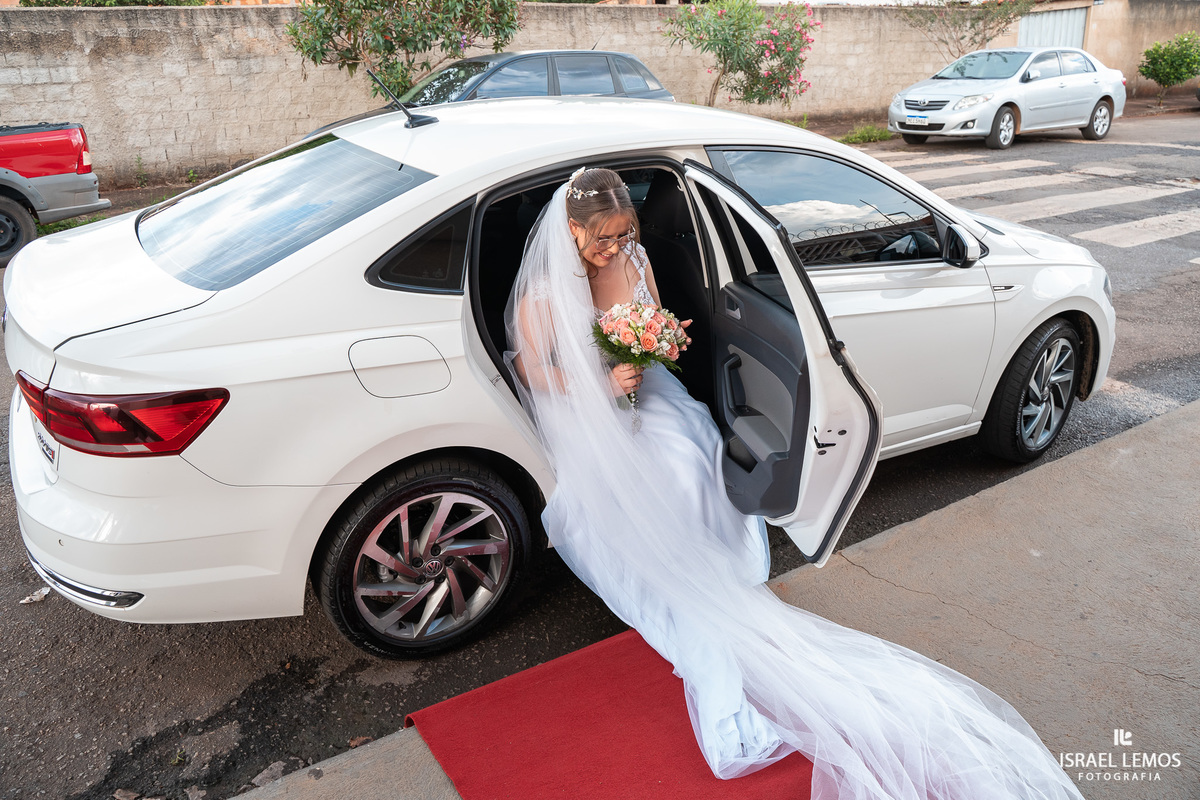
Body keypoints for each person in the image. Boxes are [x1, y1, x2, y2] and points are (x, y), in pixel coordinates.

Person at [503, 167, 1084, 800]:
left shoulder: (636, 257)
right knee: (662, 472)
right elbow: (537, 373)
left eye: (624, 235)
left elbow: (655, 325)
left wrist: (653, 345)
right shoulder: (543, 292)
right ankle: (681, 567)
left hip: (646, 384)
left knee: (691, 447)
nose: (616, 250)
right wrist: (605, 382)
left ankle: (714, 556)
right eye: (604, 242)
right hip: (581, 403)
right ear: (572, 231)